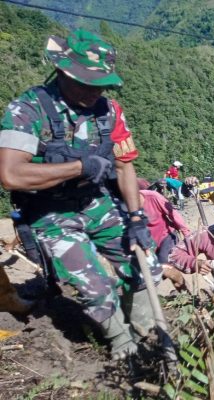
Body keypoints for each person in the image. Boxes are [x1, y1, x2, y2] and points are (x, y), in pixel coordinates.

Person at [0, 29, 160, 360]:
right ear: (62, 72)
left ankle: (147, 332)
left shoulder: (110, 111)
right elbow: (10, 174)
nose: (94, 91)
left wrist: (136, 217)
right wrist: (77, 168)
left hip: (96, 202)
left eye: (100, 84)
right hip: (50, 211)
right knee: (96, 286)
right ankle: (121, 343)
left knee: (145, 265)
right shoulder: (28, 111)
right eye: (86, 83)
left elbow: (125, 166)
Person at [138, 180, 191, 264]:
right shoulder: (121, 206)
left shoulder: (153, 197)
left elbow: (173, 214)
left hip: (166, 236)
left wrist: (187, 235)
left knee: (165, 262)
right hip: (148, 242)